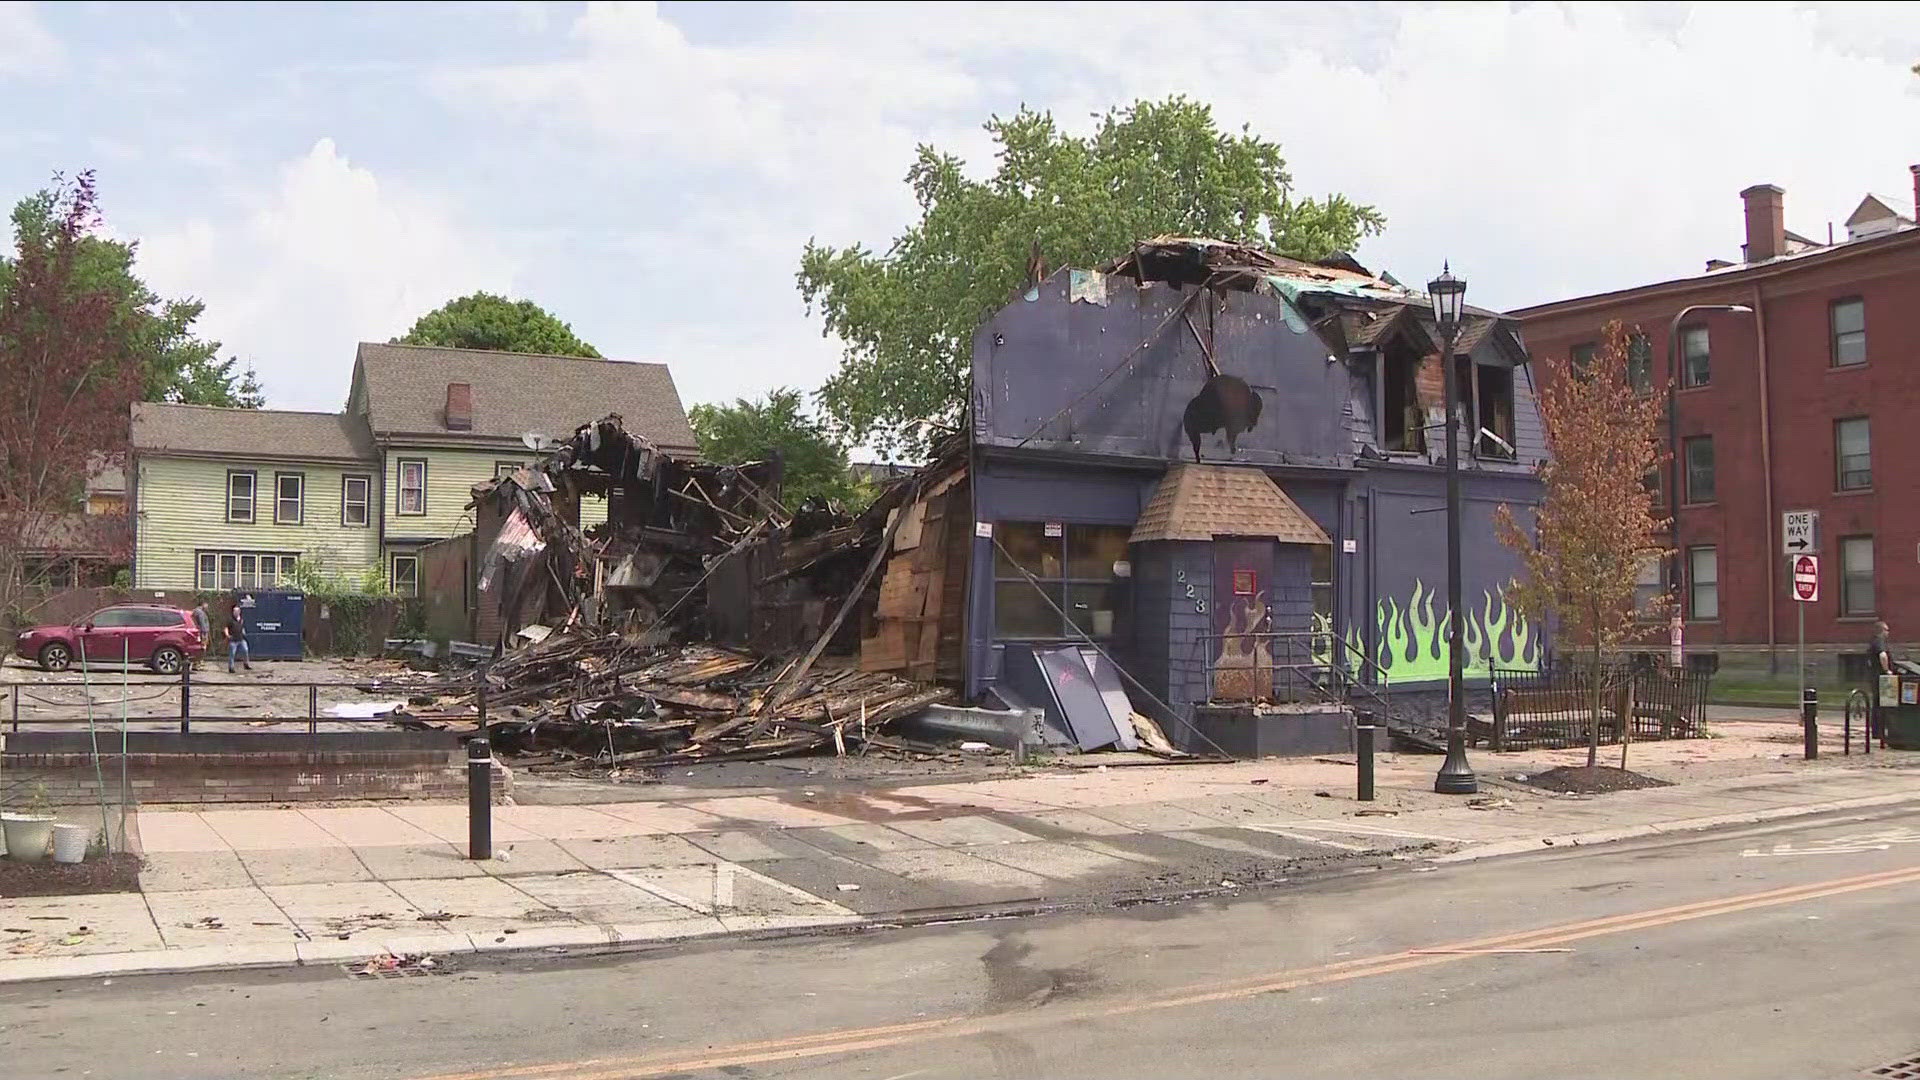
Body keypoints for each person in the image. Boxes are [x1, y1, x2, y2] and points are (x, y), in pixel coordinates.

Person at [226, 600, 253, 673]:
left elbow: (242, 626)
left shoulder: (241, 619)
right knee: (232, 654)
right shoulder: (230, 620)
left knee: (245, 650)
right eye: (234, 611)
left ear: (239, 612)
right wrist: (227, 635)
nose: (236, 613)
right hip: (233, 640)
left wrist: (243, 631)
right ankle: (231, 668)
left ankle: (246, 664)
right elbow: (226, 628)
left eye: (237, 611)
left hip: (241, 639)